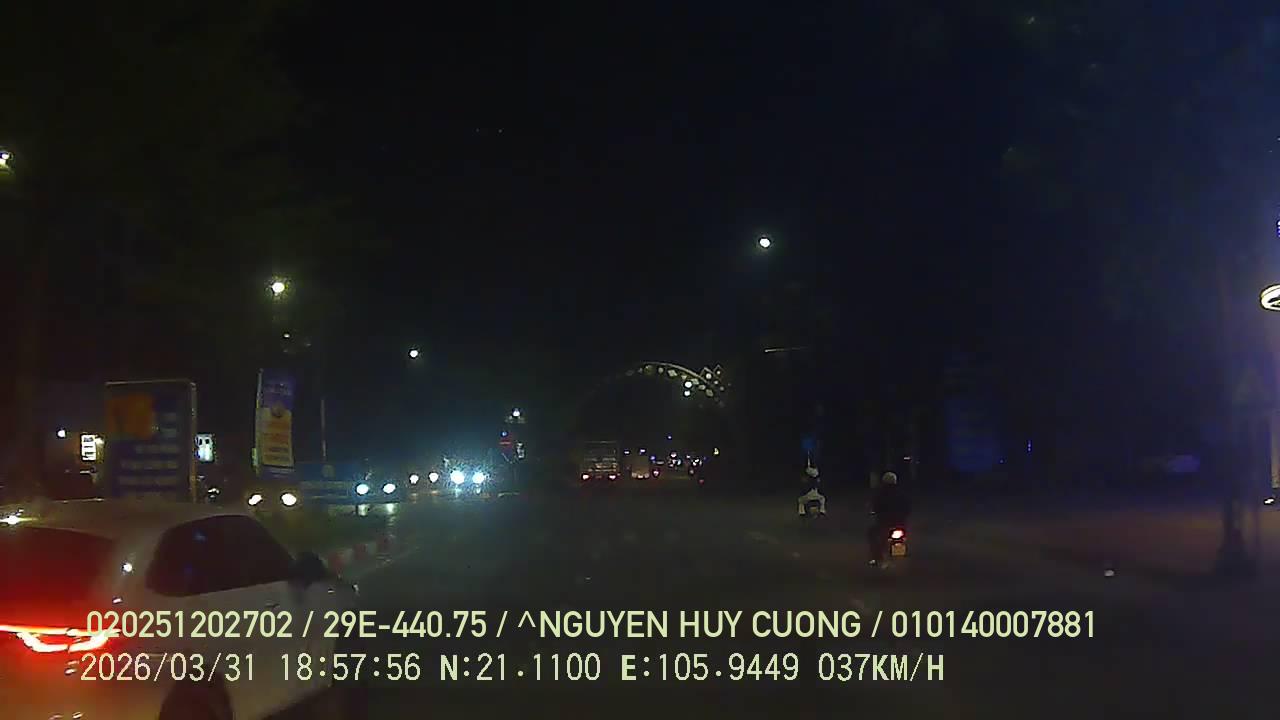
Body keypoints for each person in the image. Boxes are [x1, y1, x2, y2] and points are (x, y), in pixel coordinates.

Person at [868, 471, 911, 564]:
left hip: (884, 522)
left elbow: (876, 506)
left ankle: (877, 556)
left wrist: (874, 512)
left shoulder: (881, 493)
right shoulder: (901, 492)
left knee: (872, 534)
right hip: (900, 523)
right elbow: (907, 507)